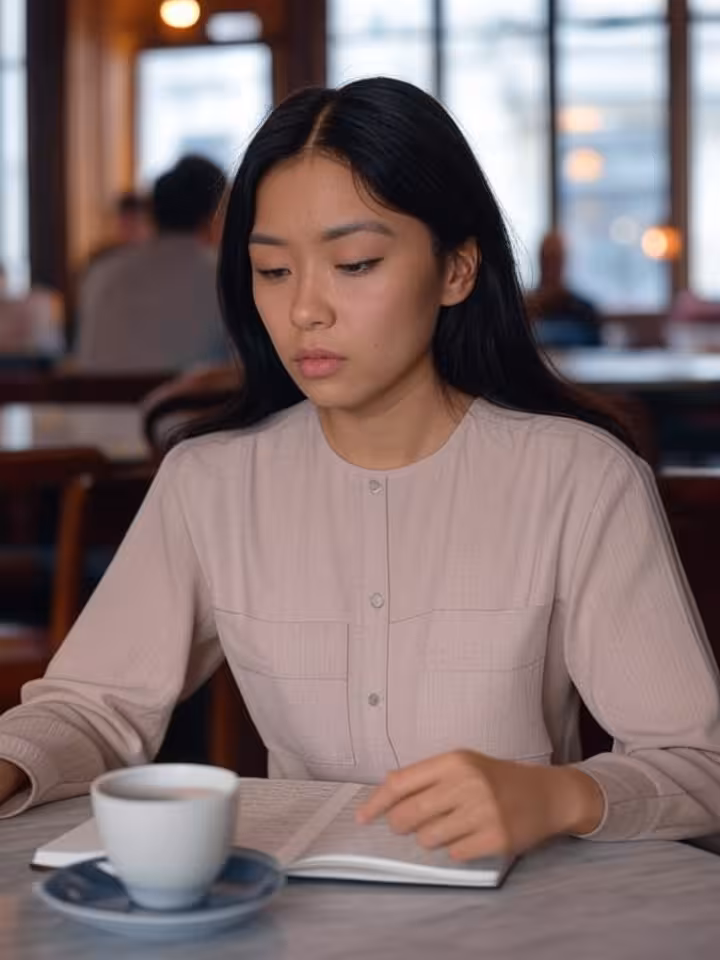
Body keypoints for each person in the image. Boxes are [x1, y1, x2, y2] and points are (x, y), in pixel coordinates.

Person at [1, 78, 720, 860]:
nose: (305, 308)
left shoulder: (578, 478)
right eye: (273, 271)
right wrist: (13, 760)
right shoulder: (210, 482)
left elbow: (699, 765)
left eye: (354, 262)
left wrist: (559, 794)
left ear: (456, 270)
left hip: (519, 922)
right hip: (292, 918)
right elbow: (92, 706)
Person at [72, 156, 230, 372]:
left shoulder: (103, 271)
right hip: (186, 404)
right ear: (214, 215)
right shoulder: (224, 275)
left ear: (153, 216)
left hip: (93, 404)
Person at [526, 231, 603, 349]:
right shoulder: (525, 308)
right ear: (539, 259)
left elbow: (595, 347)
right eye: (546, 258)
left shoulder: (585, 310)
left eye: (555, 258)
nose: (550, 265)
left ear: (564, 261)